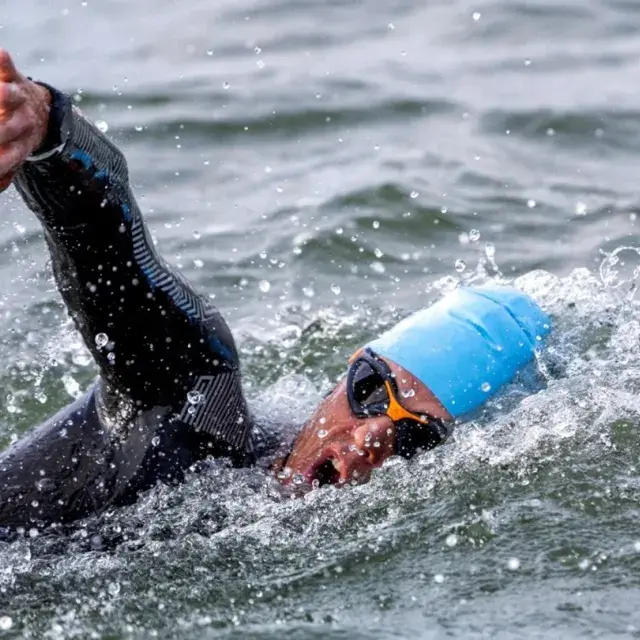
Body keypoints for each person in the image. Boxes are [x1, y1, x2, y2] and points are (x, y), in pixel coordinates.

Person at [0, 50, 551, 530]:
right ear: (348, 370)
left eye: (416, 440)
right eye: (369, 393)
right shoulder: (196, 401)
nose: (365, 442)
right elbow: (106, 243)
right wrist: (46, 130)